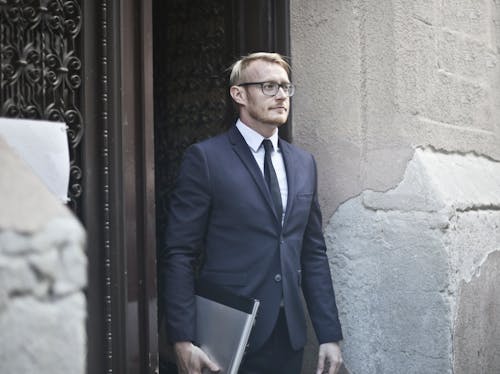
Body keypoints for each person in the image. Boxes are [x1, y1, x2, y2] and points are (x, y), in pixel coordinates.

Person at [161, 52, 343, 374]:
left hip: (288, 337)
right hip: (227, 335)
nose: (282, 96)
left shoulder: (303, 163)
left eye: (286, 88)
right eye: (269, 86)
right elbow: (179, 252)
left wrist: (329, 335)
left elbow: (313, 252)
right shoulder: (205, 159)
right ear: (239, 94)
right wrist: (182, 338)